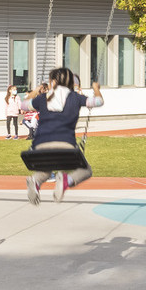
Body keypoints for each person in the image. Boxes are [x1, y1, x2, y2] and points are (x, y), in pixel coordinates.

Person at [21, 67, 104, 204]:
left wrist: (36, 90)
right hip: (66, 146)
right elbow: (99, 102)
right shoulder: (76, 97)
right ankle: (67, 180)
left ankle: (36, 181)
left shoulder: (42, 98)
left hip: (39, 147)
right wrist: (96, 88)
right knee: (86, 170)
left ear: (52, 82)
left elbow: (23, 105)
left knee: (46, 170)